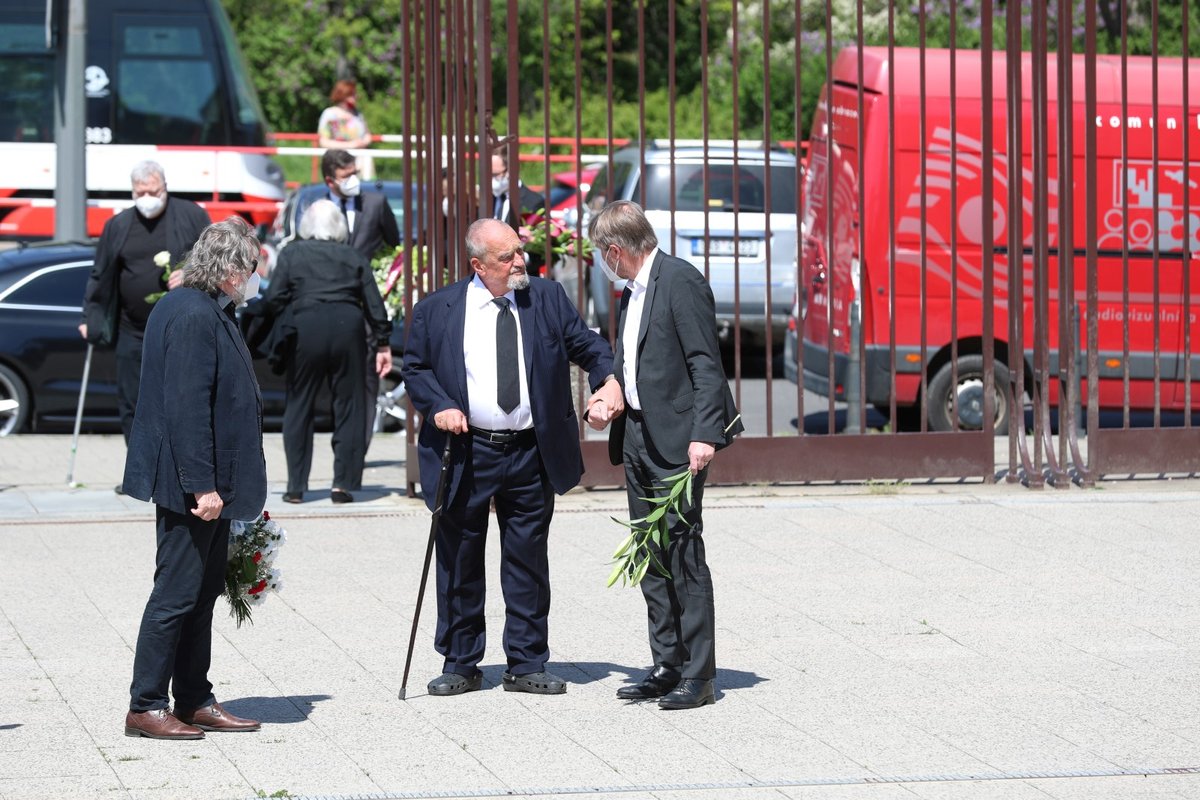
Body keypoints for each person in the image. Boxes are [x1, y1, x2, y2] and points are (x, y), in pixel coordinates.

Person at [401, 217, 623, 697]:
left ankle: (526, 661)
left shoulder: (543, 298)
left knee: (527, 559)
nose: (520, 261)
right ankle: (460, 661)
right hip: (466, 450)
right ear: (478, 265)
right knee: (459, 558)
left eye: (519, 251)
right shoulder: (438, 309)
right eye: (507, 257)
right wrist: (439, 406)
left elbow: (586, 345)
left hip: (529, 450)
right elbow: (415, 368)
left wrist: (608, 378)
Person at [585, 200, 744, 711]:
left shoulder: (680, 281)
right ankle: (666, 662)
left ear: (615, 251)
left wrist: (706, 433)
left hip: (679, 441)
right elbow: (630, 361)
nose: (603, 264)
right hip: (636, 436)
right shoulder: (633, 290)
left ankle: (699, 675)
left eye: (602, 256)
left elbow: (705, 365)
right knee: (649, 552)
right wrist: (611, 391)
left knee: (682, 552)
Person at [121, 217, 267, 740]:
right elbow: (186, 408)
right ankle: (146, 704)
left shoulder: (207, 308)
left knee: (201, 593)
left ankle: (194, 697)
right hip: (192, 483)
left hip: (212, 481)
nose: (253, 278)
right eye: (250, 268)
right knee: (176, 593)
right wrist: (202, 485)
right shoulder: (190, 314)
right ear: (229, 270)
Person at [79, 160, 210, 491]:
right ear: (133, 192)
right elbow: (101, 274)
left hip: (181, 330)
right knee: (133, 403)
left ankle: (180, 473)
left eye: (154, 191)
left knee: (179, 401)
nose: (148, 198)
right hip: (132, 331)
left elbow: (214, 258)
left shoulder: (191, 215)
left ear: (165, 187)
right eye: (141, 193)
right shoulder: (119, 225)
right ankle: (140, 473)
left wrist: (192, 274)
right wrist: (91, 318)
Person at [263, 200, 393, 504]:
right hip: (348, 329)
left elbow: (273, 298)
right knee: (349, 405)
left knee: (299, 404)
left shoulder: (293, 253)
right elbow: (374, 303)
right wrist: (383, 342)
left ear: (307, 225)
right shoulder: (353, 255)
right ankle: (342, 484)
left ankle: (296, 486)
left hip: (306, 327)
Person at [321, 147, 401, 445]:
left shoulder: (376, 203)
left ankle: (361, 445)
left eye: (355, 173)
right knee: (336, 376)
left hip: (366, 305)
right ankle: (342, 437)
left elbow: (394, 246)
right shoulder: (318, 206)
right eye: (347, 175)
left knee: (368, 376)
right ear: (331, 181)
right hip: (330, 306)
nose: (354, 179)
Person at [318, 78, 374, 179]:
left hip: (359, 158)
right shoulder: (330, 114)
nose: (355, 97)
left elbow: (367, 135)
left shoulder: (357, 114)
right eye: (352, 94)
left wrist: (363, 142)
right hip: (338, 159)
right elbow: (324, 141)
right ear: (343, 95)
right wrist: (349, 145)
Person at [490, 148, 545, 232]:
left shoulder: (533, 202)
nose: (491, 179)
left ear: (511, 170)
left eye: (495, 174)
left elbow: (541, 236)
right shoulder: (488, 198)